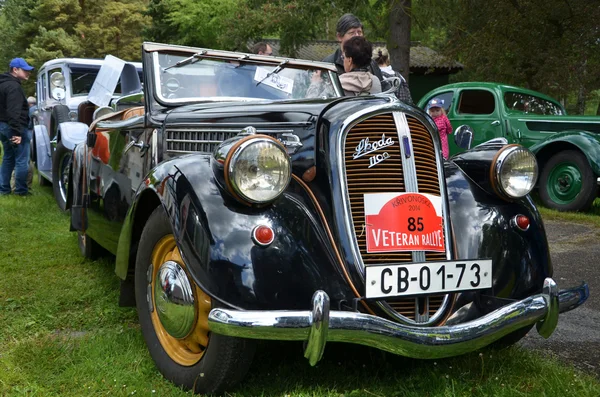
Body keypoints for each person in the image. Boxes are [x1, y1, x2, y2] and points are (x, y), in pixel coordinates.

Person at [323, 13, 387, 89]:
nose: (357, 36)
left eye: (359, 32)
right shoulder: (328, 64)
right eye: (352, 33)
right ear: (339, 37)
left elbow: (383, 90)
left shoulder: (371, 63)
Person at [0, 57, 34, 196]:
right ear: (15, 69)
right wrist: (17, 133)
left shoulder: (2, 84)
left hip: (2, 126)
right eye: (25, 70)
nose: (28, 73)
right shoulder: (13, 87)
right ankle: (21, 191)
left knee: (8, 157)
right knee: (21, 159)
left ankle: (4, 189)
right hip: (13, 127)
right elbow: (13, 112)